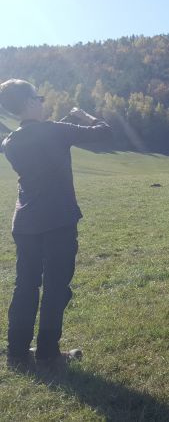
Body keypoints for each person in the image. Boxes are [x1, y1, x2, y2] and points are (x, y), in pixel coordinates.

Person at [0, 79, 111, 369]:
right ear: (27, 102)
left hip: (24, 223)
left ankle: (17, 354)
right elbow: (104, 132)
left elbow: (40, 139)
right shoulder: (55, 130)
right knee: (55, 288)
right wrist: (83, 115)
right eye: (38, 97)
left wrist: (57, 125)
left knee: (25, 287)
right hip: (58, 221)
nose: (43, 101)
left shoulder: (10, 142)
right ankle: (48, 353)